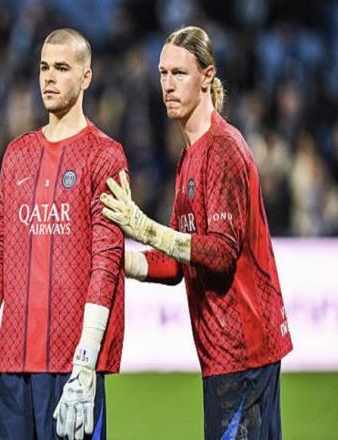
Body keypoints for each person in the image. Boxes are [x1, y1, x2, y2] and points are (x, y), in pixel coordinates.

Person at [100, 26, 293, 439]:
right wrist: (117, 259)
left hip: (244, 351)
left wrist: (144, 227)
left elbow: (220, 253)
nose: (167, 85)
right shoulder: (191, 155)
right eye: (162, 73)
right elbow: (176, 263)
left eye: (179, 73)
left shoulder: (222, 149)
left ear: (207, 76)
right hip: (224, 356)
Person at [0, 28, 127, 440]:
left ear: (86, 77)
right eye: (44, 67)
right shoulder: (17, 154)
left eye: (62, 68)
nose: (49, 77)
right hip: (11, 367)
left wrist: (86, 360)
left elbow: (106, 265)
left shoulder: (105, 155)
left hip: (70, 370)